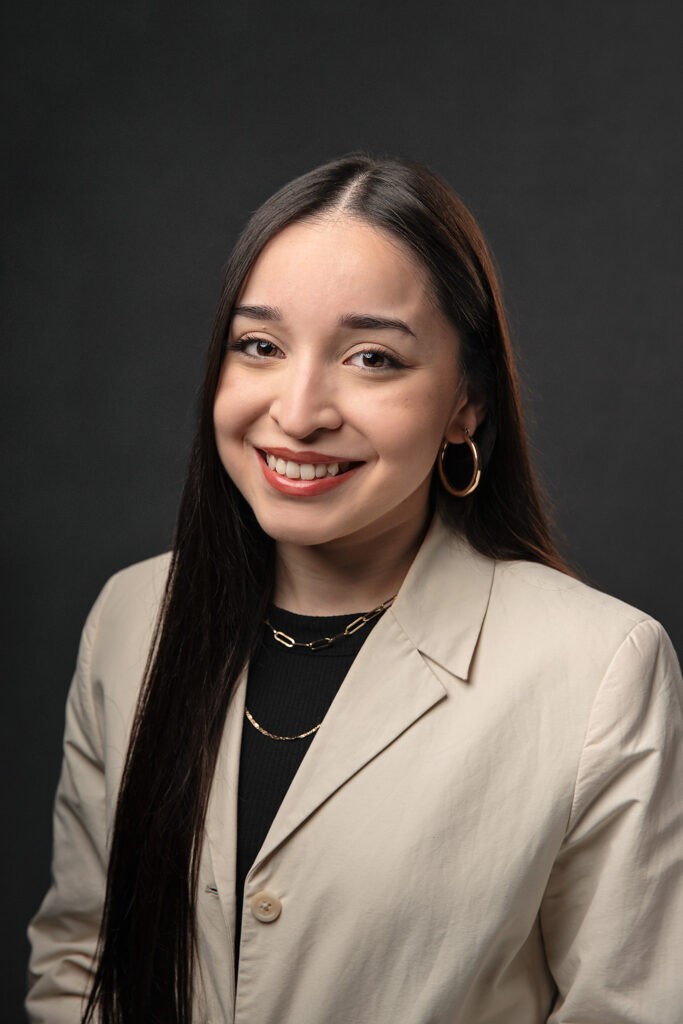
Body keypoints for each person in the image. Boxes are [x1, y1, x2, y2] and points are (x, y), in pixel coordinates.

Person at [26, 153, 683, 1024]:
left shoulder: (599, 666)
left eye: (372, 358)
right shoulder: (129, 617)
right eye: (258, 346)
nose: (298, 412)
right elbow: (81, 963)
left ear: (465, 404)